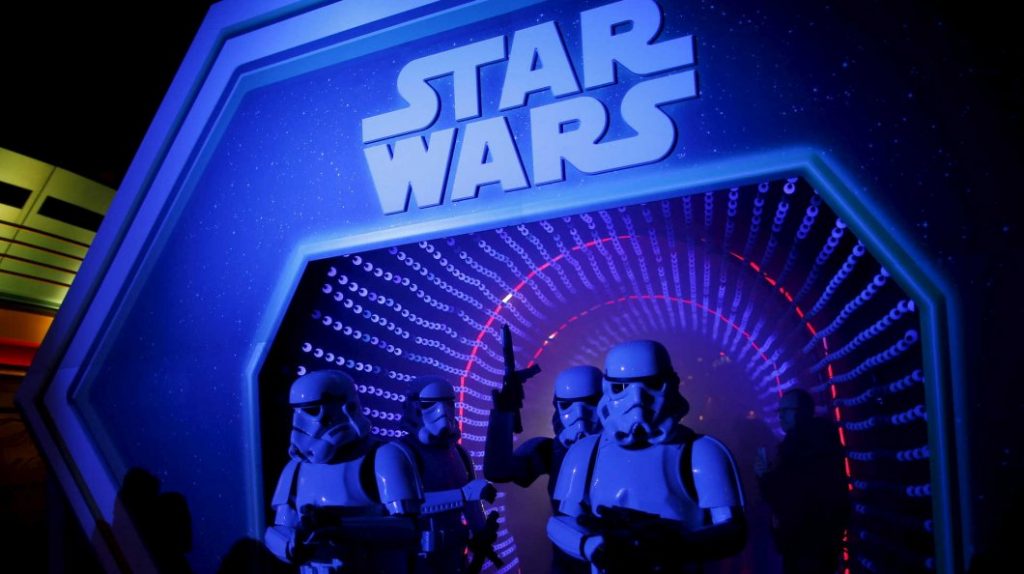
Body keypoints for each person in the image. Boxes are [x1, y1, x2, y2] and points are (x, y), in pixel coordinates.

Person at [547, 340, 747, 573]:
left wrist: (675, 545)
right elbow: (562, 521)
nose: (637, 401)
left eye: (651, 385)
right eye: (622, 388)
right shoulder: (584, 452)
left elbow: (733, 530)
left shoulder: (701, 452)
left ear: (670, 384)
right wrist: (594, 546)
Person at [263, 370, 419, 573]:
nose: (300, 423)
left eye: (312, 411)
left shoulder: (383, 456)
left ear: (348, 408)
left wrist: (340, 527)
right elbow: (282, 527)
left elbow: (408, 528)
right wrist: (290, 546)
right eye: (296, 412)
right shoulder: (296, 467)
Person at [484, 325, 603, 573]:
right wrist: (503, 415)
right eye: (568, 405)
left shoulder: (629, 448)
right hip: (570, 557)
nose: (579, 414)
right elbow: (499, 470)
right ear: (558, 407)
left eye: (590, 403)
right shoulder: (552, 450)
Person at [375, 376, 501, 574]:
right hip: (416, 560)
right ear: (414, 408)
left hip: (456, 558)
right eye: (429, 404)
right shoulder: (396, 453)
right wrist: (463, 495)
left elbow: (472, 505)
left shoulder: (459, 453)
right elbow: (402, 509)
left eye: (448, 404)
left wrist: (481, 532)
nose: (442, 412)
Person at [754, 388, 850, 574]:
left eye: (786, 410)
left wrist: (767, 477)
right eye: (779, 411)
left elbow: (790, 494)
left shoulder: (807, 446)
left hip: (809, 541)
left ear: (802, 411)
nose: (780, 416)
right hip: (810, 542)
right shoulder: (805, 442)